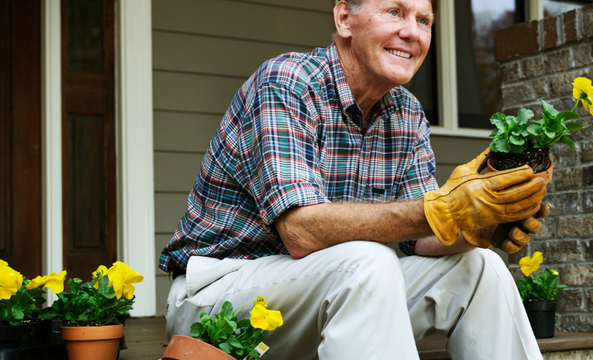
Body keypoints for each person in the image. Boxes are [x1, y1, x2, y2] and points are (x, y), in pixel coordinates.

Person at [159, 0, 551, 359]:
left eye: (424, 20)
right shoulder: (287, 82)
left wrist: (476, 226)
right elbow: (301, 232)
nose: (412, 32)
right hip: (217, 300)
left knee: (480, 267)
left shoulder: (407, 113)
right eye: (395, 12)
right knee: (368, 260)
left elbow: (421, 237)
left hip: (334, 294)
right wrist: (444, 208)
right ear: (344, 18)